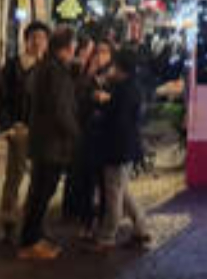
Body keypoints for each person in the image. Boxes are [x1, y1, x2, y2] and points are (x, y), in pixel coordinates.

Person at [17, 27, 80, 260]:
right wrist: (75, 134)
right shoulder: (55, 71)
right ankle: (30, 242)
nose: (75, 50)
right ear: (66, 47)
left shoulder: (49, 68)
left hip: (46, 141)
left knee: (40, 192)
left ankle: (35, 236)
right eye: (73, 45)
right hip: (51, 143)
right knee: (41, 193)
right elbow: (60, 109)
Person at [0, 21, 49, 242]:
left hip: (42, 131)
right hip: (19, 129)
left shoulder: (49, 68)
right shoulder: (13, 65)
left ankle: (32, 221)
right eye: (34, 37)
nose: (38, 42)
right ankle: (8, 222)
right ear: (26, 40)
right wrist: (7, 126)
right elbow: (1, 98)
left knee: (40, 180)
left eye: (42, 38)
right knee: (14, 177)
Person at [93, 47, 151, 251]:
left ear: (121, 68)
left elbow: (117, 119)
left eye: (114, 65)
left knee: (113, 195)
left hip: (117, 147)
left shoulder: (123, 89)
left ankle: (107, 236)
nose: (111, 68)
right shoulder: (132, 86)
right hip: (127, 147)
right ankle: (141, 227)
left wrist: (102, 107)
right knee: (122, 190)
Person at [65, 40, 113, 240]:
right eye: (97, 52)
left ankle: (104, 221)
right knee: (87, 181)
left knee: (105, 184)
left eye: (104, 52)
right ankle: (86, 221)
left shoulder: (114, 78)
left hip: (107, 138)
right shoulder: (84, 78)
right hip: (87, 138)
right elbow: (76, 101)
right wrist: (92, 95)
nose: (100, 56)